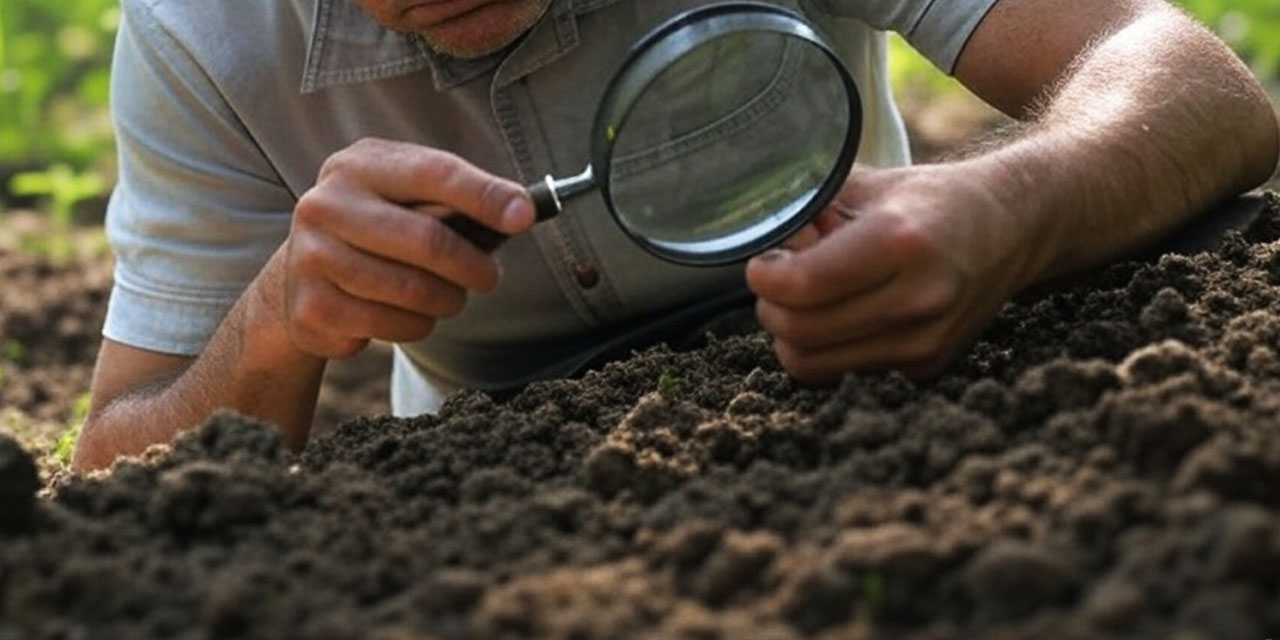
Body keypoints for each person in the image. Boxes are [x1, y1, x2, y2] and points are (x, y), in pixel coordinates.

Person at [72, 0, 1279, 471]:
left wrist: (1005, 212)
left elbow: (1197, 86)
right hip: (496, 491)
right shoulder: (197, 39)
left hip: (882, 402)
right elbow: (117, 457)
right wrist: (277, 324)